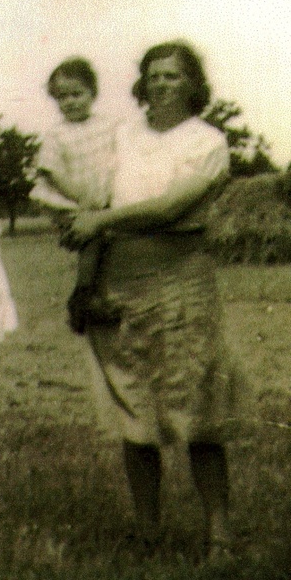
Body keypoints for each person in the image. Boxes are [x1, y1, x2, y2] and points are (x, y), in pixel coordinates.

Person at [63, 42, 243, 561]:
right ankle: (147, 533)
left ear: (193, 84)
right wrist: (84, 283)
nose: (161, 84)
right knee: (134, 408)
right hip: (120, 278)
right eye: (154, 75)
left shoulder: (208, 141)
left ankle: (219, 534)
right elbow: (94, 202)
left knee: (199, 408)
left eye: (173, 75)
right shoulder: (122, 135)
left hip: (180, 275)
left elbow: (171, 207)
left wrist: (100, 220)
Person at [30, 57, 116, 332]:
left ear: (93, 93)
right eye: (62, 97)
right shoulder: (57, 134)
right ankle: (82, 294)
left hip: (105, 196)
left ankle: (100, 296)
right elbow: (53, 173)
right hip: (70, 199)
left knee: (111, 243)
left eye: (76, 94)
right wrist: (80, 198)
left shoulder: (109, 125)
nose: (70, 102)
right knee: (92, 236)